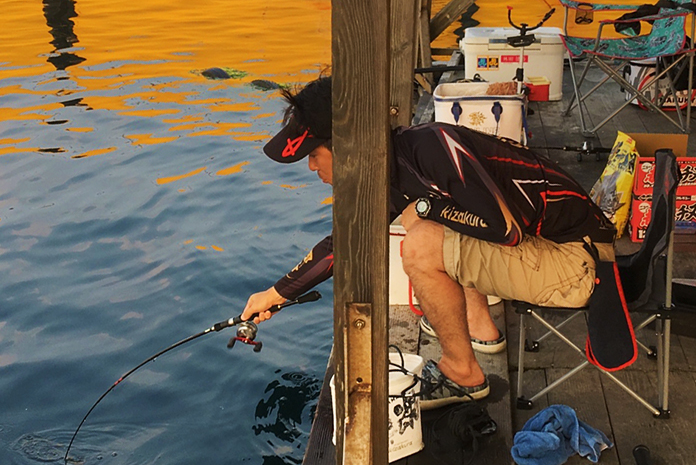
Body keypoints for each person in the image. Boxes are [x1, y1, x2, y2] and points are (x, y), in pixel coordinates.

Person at [241, 75, 615, 410]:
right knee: (422, 219)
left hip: (579, 263)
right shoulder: (401, 155)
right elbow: (345, 243)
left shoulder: (433, 149)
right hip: (558, 250)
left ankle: (462, 373)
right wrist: (277, 293)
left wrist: (423, 206)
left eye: (313, 154)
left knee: (420, 242)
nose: (311, 167)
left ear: (347, 142)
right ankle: (481, 328)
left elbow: (505, 230)